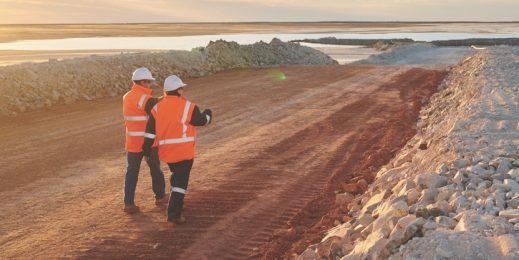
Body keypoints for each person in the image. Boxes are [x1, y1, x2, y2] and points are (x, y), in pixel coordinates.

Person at [142, 75, 212, 224]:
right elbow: (201, 121)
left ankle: (176, 202)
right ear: (178, 91)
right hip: (184, 152)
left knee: (176, 177)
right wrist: (208, 114)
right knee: (181, 182)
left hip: (167, 153)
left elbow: (149, 133)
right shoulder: (188, 106)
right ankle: (174, 213)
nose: (183, 90)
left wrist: (146, 151)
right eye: (182, 88)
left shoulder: (156, 108)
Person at [122, 67, 167, 214]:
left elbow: (150, 102)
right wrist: (168, 97)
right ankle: (160, 197)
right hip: (147, 142)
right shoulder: (143, 98)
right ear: (142, 82)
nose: (150, 85)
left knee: (131, 172)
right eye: (148, 82)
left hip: (132, 142)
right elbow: (151, 106)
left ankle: (128, 203)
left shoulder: (127, 96)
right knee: (155, 170)